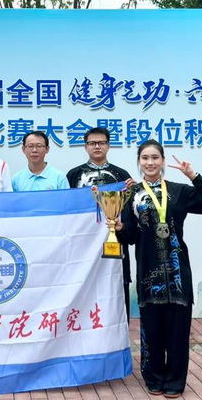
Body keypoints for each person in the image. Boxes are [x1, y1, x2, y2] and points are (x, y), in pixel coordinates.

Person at [117, 139, 202, 398]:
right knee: (151, 329)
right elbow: (130, 236)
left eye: (155, 157)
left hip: (177, 275)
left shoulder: (178, 191)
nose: (150, 162)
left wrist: (194, 176)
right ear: (139, 162)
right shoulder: (132, 194)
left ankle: (175, 381)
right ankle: (153, 377)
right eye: (145, 158)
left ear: (163, 161)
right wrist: (119, 228)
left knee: (178, 332)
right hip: (148, 272)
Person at [66, 127, 135, 321]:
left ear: (108, 145)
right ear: (85, 146)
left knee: (116, 290)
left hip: (114, 242)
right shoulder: (73, 175)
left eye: (101, 143)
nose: (97, 146)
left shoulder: (121, 175)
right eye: (92, 143)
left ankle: (119, 334)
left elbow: (129, 213)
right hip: (84, 245)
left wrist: (133, 190)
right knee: (84, 292)